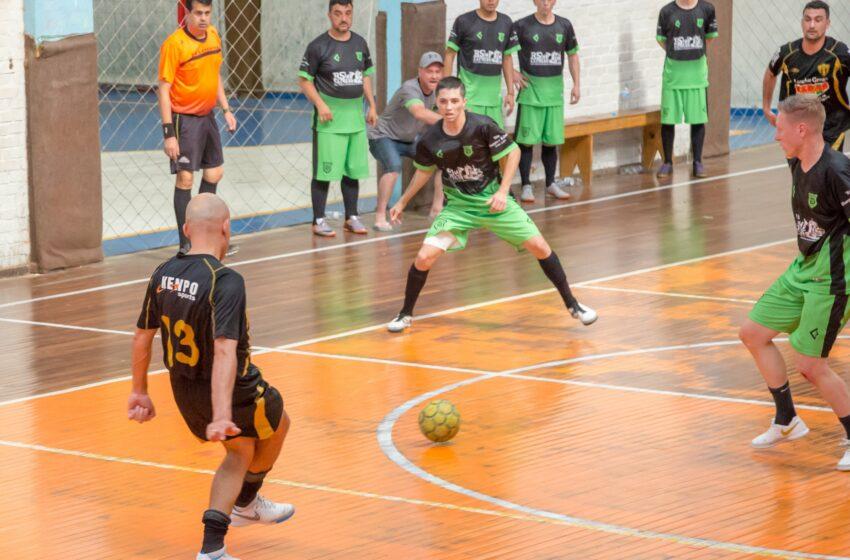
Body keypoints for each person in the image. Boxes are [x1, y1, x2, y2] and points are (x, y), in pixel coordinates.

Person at [128, 194, 294, 560]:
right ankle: (246, 503)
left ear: (185, 229)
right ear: (226, 227)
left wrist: (139, 391)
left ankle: (214, 547)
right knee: (277, 420)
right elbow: (223, 350)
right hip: (232, 390)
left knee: (240, 452)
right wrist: (222, 413)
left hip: (184, 391)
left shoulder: (163, 273)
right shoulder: (226, 280)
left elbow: (143, 335)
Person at [384, 77, 597, 333]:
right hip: (459, 208)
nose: (449, 107)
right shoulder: (430, 138)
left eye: (454, 101)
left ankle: (574, 305)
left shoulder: (482, 126)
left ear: (464, 101)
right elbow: (424, 172)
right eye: (443, 102)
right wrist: (402, 201)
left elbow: (514, 151)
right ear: (436, 105)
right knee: (424, 257)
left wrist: (504, 191)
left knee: (540, 247)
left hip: (494, 201)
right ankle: (405, 314)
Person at [739, 95, 850, 471]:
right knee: (753, 332)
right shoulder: (797, 162)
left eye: (780, 128)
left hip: (831, 279)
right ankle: (787, 420)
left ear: (801, 129)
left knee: (810, 365)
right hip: (802, 269)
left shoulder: (837, 172)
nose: (775, 136)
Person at [158, 0, 237, 255]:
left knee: (214, 174)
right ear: (187, 14)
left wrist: (226, 109)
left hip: (208, 116)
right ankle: (187, 244)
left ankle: (208, 238)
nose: (203, 18)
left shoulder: (213, 36)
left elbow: (214, 76)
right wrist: (169, 133)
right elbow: (164, 89)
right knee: (186, 178)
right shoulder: (174, 44)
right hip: (185, 120)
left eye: (207, 13)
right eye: (198, 13)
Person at [299, 0, 378, 237]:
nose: (343, 18)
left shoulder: (360, 43)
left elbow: (365, 76)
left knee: (352, 170)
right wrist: (321, 104)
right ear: (329, 15)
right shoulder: (318, 46)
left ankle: (351, 217)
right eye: (338, 13)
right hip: (329, 122)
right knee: (324, 173)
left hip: (355, 120)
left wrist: (372, 105)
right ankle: (318, 220)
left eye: (348, 13)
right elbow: (304, 80)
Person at [512, 0, 580, 203]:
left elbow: (573, 55)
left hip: (554, 94)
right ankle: (526, 185)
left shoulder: (564, 25)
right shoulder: (521, 26)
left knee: (551, 142)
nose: (545, 2)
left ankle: (550, 183)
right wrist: (514, 73)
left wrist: (577, 84)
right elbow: (502, 52)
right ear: (534, 1)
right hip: (531, 94)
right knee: (526, 142)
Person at [368, 52, 445, 231]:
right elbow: (419, 112)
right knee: (393, 167)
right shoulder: (409, 88)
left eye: (437, 71)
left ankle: (436, 210)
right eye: (429, 71)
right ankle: (380, 216)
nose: (434, 75)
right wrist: (450, 121)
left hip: (409, 139)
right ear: (420, 72)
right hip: (383, 135)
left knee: (443, 159)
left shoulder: (438, 90)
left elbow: (443, 111)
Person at [763, 1, 850, 152]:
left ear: (827, 23)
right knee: (803, 174)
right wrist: (766, 107)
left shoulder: (839, 52)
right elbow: (771, 73)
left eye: (818, 20)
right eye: (807, 19)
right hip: (796, 127)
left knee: (827, 171)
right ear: (802, 22)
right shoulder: (786, 52)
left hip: (831, 126)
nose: (811, 25)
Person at [655, 0, 718, 179]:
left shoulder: (707, 9)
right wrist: (678, 52)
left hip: (696, 76)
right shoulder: (666, 11)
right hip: (673, 76)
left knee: (698, 120)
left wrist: (694, 52)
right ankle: (668, 162)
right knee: (668, 121)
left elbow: (709, 38)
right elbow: (662, 40)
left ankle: (697, 162)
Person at [444, 0, 520, 129]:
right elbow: (449, 55)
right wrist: (445, 90)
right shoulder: (463, 21)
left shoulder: (506, 22)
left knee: (496, 146)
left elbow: (507, 58)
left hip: (493, 101)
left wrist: (511, 93)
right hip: (469, 100)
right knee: (470, 145)